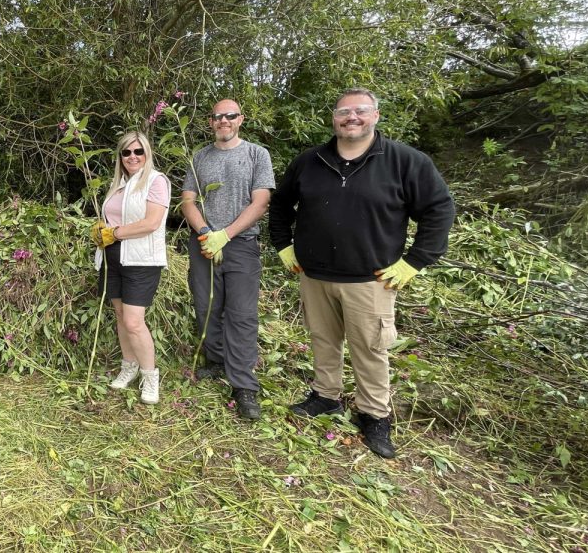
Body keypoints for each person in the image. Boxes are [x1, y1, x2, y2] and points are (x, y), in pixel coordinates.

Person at [269, 87, 455, 458]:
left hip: (370, 279)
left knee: (370, 349)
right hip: (315, 274)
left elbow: (439, 209)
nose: (351, 117)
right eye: (343, 112)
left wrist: (415, 261)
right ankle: (326, 397)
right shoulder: (310, 161)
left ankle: (374, 416)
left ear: (375, 115)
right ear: (333, 118)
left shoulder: (404, 161)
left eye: (360, 111)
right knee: (322, 339)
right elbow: (280, 204)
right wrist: (283, 244)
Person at [180, 99, 276, 420]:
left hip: (241, 244)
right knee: (207, 306)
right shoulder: (200, 157)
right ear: (211, 122)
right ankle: (217, 360)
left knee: (242, 313)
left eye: (230, 116)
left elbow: (261, 202)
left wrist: (227, 234)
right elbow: (188, 201)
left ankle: (244, 385)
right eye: (218, 117)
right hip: (203, 243)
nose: (224, 121)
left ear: (240, 119)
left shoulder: (256, 154)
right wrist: (207, 232)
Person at [92, 132, 170, 405]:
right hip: (112, 259)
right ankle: (129, 367)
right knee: (121, 315)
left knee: (134, 321)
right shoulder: (120, 184)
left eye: (138, 151)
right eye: (126, 153)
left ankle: (150, 376)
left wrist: (115, 232)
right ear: (120, 157)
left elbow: (151, 222)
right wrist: (101, 231)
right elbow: (111, 220)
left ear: (147, 153)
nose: (133, 157)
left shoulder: (156, 181)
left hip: (141, 261)